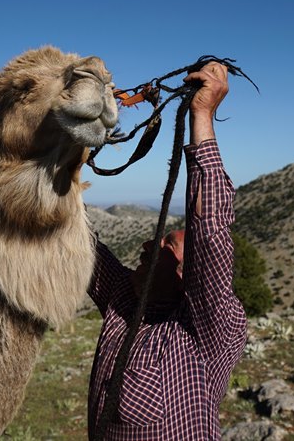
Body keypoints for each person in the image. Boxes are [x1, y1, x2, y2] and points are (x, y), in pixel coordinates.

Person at [87, 62, 248, 440]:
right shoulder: (122, 301)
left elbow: (209, 230)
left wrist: (202, 115)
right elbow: (78, 241)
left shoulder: (208, 330)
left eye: (167, 244)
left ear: (188, 274)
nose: (149, 244)